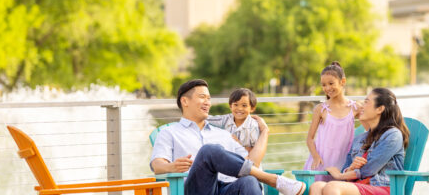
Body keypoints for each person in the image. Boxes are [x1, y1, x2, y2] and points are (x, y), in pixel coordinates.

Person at [150, 79, 305, 195]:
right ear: (185, 101)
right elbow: (157, 165)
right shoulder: (169, 132)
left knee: (250, 180)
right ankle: (272, 179)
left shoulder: (223, 134)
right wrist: (171, 167)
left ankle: (270, 179)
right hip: (197, 189)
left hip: (227, 188)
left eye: (209, 98)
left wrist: (265, 132)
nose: (208, 102)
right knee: (209, 151)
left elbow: (252, 164)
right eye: (202, 97)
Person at [309, 88, 410, 195]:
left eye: (366, 102)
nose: (362, 105)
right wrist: (351, 168)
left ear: (379, 109)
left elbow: (370, 169)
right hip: (359, 186)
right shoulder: (359, 139)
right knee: (317, 186)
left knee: (332, 186)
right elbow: (346, 170)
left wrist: (341, 175)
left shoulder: (393, 135)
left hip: (383, 187)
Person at [304, 61, 361, 182]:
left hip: (343, 166)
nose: (327, 88)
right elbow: (309, 138)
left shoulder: (355, 108)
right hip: (320, 164)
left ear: (343, 82)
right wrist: (315, 157)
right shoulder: (321, 109)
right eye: (324, 85)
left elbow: (370, 127)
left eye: (331, 83)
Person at [208, 88, 260, 154]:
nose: (239, 108)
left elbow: (256, 151)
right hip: (229, 159)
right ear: (230, 106)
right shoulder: (226, 119)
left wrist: (238, 145)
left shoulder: (253, 126)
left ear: (252, 108)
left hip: (247, 161)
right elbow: (207, 118)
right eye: (236, 105)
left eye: (244, 106)